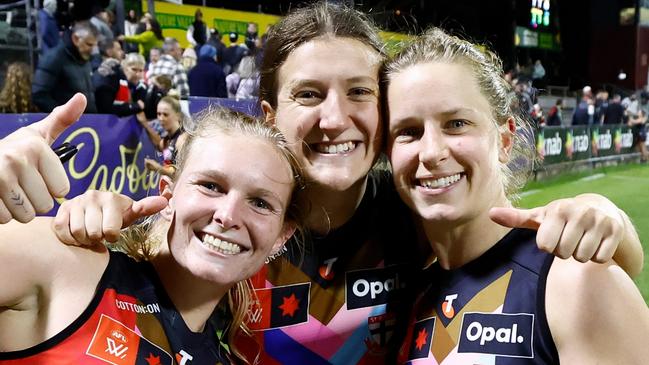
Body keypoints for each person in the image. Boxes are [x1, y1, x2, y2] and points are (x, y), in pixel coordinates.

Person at [40, 3, 644, 365]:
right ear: (271, 115)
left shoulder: (416, 218)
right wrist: (89, 214)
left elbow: (518, 259)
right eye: (308, 95)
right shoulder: (235, 225)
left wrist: (603, 220)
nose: (335, 118)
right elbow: (129, 272)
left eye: (360, 92)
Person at [380, 27, 649, 364]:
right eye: (408, 132)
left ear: (505, 140)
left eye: (457, 124)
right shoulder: (404, 299)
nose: (431, 151)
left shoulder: (577, 281)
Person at [0, 94, 301, 364]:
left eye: (260, 203)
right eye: (210, 186)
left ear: (281, 237)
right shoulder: (66, 264)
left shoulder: (225, 356)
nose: (228, 215)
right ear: (168, 195)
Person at [32, 21, 98, 113]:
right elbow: (39, 95)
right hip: (67, 124)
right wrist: (63, 116)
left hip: (87, 123)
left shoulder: (85, 59)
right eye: (89, 45)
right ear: (75, 39)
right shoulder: (54, 58)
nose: (93, 50)